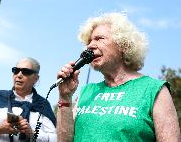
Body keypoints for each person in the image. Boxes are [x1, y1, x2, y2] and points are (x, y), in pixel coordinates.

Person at [56, 12, 181, 142]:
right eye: (89, 41)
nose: (90, 46)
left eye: (99, 39)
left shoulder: (153, 89)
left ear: (123, 45)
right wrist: (65, 97)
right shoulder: (86, 92)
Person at [0, 57, 57, 142]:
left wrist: (32, 133)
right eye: (16, 70)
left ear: (36, 78)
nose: (19, 75)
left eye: (26, 72)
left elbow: (56, 138)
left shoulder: (42, 105)